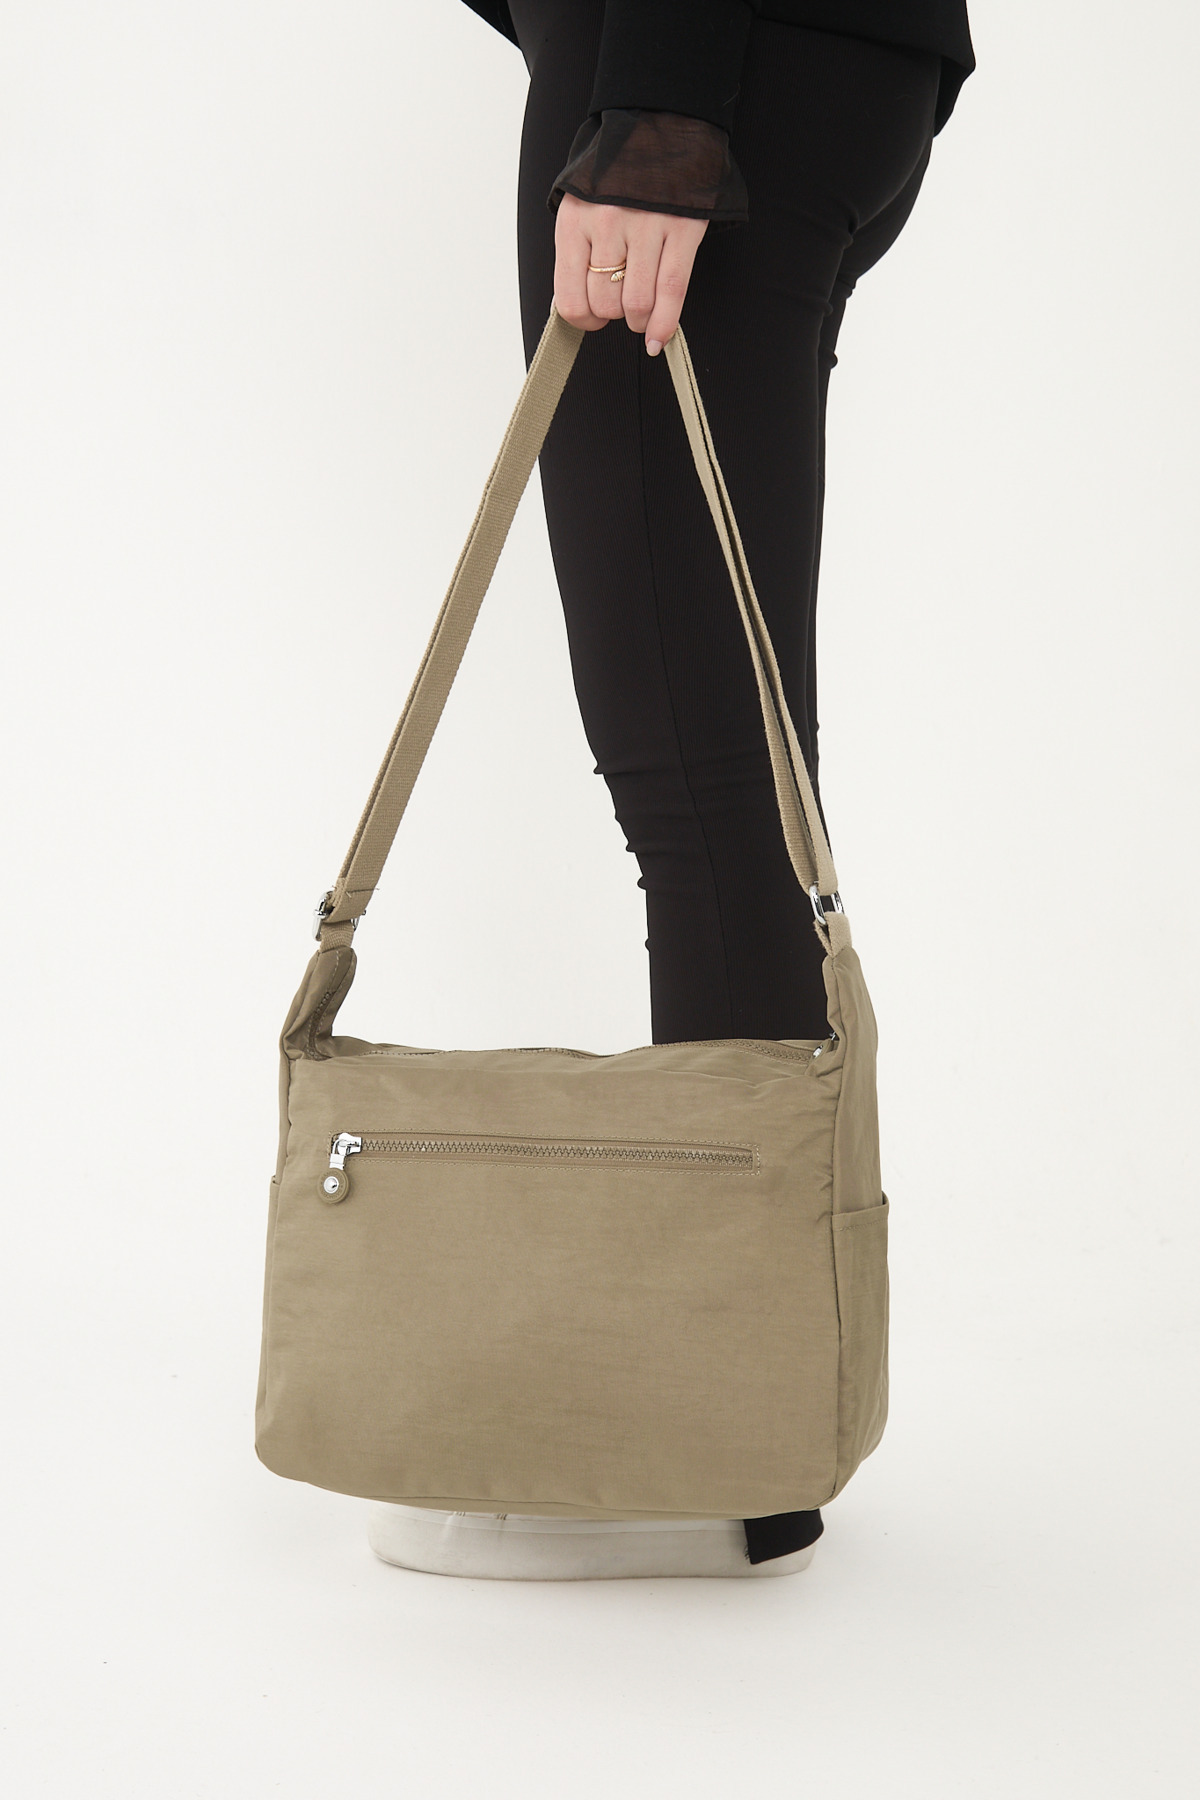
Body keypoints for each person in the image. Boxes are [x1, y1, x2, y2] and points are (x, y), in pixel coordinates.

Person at [369, 0, 974, 1581]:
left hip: (697, 60)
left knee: (702, 779)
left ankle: (714, 1450)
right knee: (725, 766)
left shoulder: (670, 103)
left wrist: (659, 105)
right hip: (779, 59)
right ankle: (751, 1434)